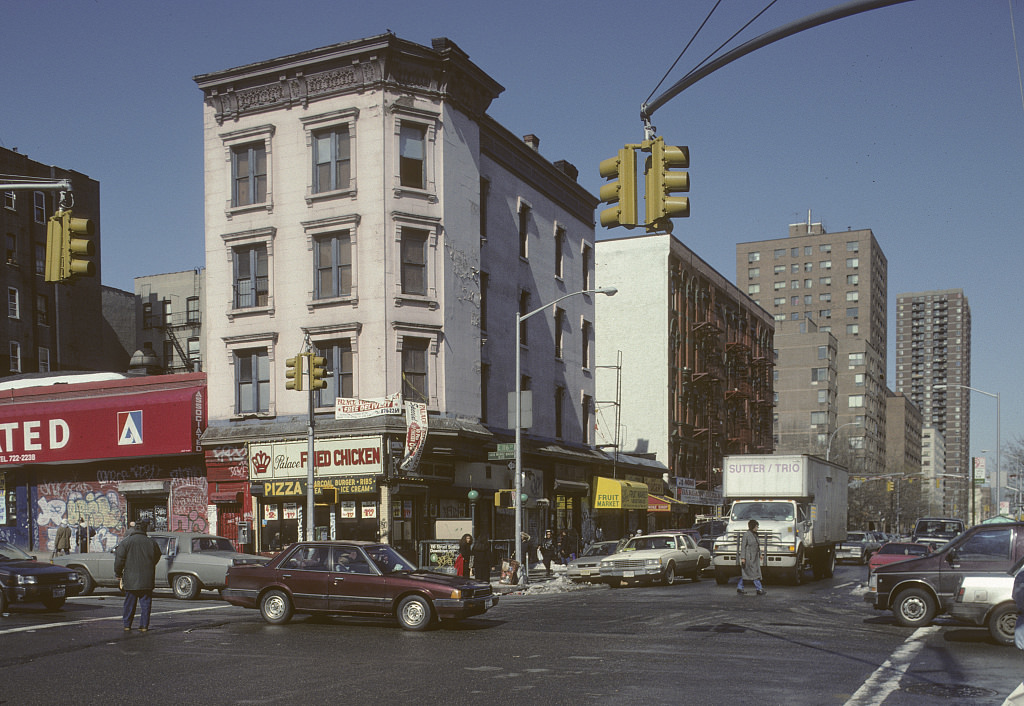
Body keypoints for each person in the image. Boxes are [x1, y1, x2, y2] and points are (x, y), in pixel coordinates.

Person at [114, 520, 162, 632]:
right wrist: (150, 564)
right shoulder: (151, 542)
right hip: (147, 578)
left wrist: (118, 573)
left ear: (135, 529)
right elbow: (157, 556)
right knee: (145, 604)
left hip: (130, 578)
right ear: (145, 529)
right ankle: (144, 626)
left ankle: (127, 625)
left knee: (129, 603)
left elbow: (119, 559)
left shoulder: (126, 542)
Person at [738, 519, 766, 596]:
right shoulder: (746, 535)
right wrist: (743, 558)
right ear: (753, 526)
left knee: (746, 573)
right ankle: (759, 589)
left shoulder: (755, 535)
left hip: (754, 557)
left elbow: (757, 546)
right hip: (748, 558)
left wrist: (760, 554)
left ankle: (740, 587)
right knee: (753, 573)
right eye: (756, 526)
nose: (757, 528)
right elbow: (743, 547)